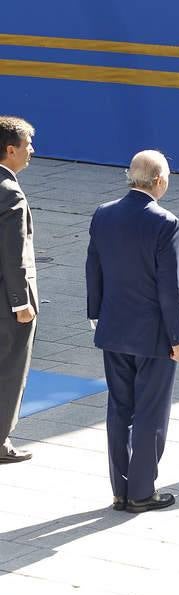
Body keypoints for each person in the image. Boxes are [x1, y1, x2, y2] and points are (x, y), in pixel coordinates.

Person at [86, 151, 179, 513]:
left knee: (119, 408)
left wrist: (95, 315)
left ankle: (120, 489)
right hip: (153, 335)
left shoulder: (103, 213)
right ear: (159, 181)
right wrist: (177, 337)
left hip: (113, 327)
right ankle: (142, 491)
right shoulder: (165, 222)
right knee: (150, 412)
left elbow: (93, 267)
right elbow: (169, 289)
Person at [0, 117, 37, 465]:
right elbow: (14, 254)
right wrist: (21, 302)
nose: (31, 152)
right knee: (10, 368)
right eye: (27, 146)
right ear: (10, 150)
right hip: (6, 302)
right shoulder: (9, 191)